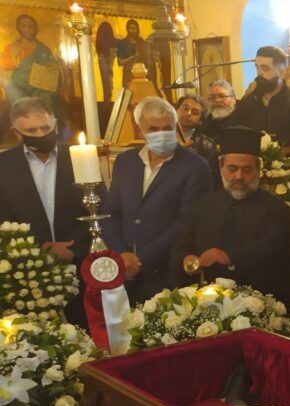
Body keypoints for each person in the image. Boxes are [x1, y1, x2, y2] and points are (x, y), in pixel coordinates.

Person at [102, 96, 211, 303]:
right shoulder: (126, 161)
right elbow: (112, 212)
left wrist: (140, 260)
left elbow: (187, 222)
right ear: (140, 130)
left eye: (167, 128)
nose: (161, 134)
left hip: (166, 272)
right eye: (153, 129)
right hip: (124, 271)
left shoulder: (196, 167)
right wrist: (122, 254)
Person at [169, 127, 290, 306]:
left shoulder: (277, 209)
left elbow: (275, 251)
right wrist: (186, 260)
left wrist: (230, 257)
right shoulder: (203, 207)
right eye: (232, 169)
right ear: (221, 168)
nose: (239, 176)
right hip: (209, 304)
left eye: (247, 169)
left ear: (258, 170)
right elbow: (181, 244)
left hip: (260, 303)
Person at [0, 97, 90, 324]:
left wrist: (73, 248)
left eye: (46, 128)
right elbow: (3, 217)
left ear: (55, 125)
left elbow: (96, 206)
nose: (40, 134)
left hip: (78, 263)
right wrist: (39, 248)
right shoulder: (4, 166)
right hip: (27, 272)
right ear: (17, 133)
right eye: (31, 130)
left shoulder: (79, 158)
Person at [231, 46, 290, 149]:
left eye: (265, 68)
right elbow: (235, 131)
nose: (259, 73)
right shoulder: (250, 99)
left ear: (281, 72)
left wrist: (269, 140)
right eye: (257, 68)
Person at [0, 15, 62, 119]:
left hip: (40, 86)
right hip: (18, 85)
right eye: (24, 26)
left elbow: (54, 69)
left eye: (30, 26)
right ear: (19, 28)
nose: (27, 29)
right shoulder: (13, 47)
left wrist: (52, 67)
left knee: (46, 97)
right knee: (13, 93)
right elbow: (3, 67)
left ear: (35, 29)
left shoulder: (43, 49)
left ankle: (42, 121)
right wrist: (14, 57)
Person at [175, 94, 220, 189]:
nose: (188, 113)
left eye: (195, 113)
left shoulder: (206, 145)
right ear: (176, 111)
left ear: (200, 121)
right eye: (185, 108)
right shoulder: (162, 137)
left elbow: (209, 178)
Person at [117, 19, 146, 89]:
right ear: (127, 29)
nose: (133, 30)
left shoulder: (142, 42)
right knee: (128, 93)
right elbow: (120, 62)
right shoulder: (123, 43)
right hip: (128, 75)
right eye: (131, 28)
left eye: (135, 28)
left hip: (141, 74)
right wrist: (133, 56)